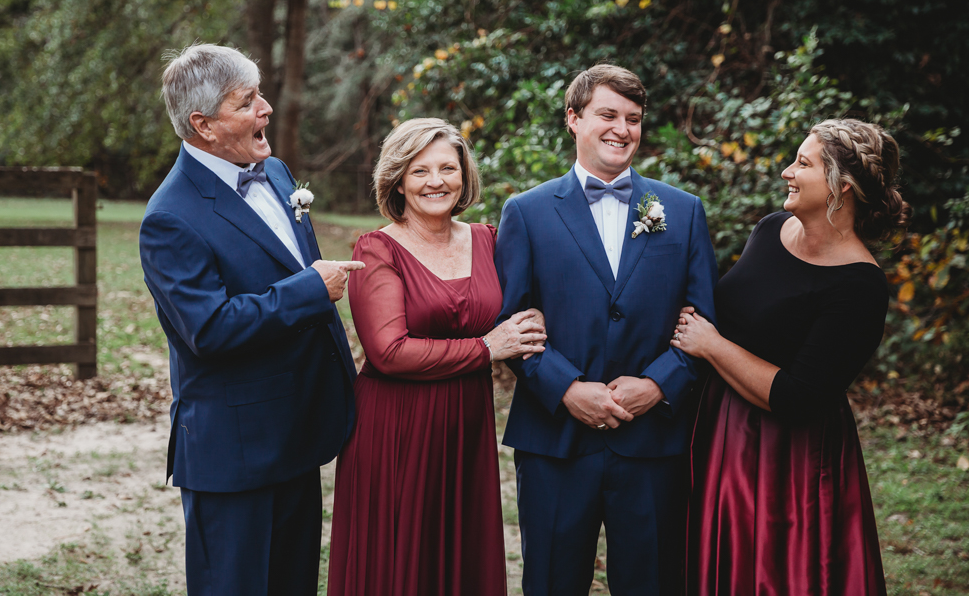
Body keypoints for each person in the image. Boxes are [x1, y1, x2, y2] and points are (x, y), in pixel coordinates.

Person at [139, 43, 364, 595]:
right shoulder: (169, 218)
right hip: (233, 452)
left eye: (260, 93)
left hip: (296, 434)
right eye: (248, 100)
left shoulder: (278, 174)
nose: (266, 108)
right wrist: (310, 290)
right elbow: (209, 329)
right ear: (204, 124)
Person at [494, 64, 719, 595]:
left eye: (634, 119)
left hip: (653, 441)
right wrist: (567, 389)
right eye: (608, 115)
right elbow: (509, 323)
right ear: (573, 119)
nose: (622, 129)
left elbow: (704, 319)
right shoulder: (525, 212)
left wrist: (659, 384)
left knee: (654, 582)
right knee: (551, 582)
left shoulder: (682, 213)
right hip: (555, 440)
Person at [673, 118, 910, 595]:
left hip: (790, 459)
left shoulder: (860, 286)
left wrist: (712, 345)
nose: (787, 171)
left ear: (840, 187)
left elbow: (799, 395)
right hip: (721, 429)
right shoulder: (771, 229)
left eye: (803, 163)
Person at [327, 118, 547, 596]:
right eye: (420, 170)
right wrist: (489, 347)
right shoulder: (377, 249)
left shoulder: (490, 239)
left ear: (465, 176)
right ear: (398, 180)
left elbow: (532, 307)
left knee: (458, 560)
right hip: (396, 428)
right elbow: (389, 352)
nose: (436, 182)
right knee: (398, 565)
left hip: (466, 424)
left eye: (449, 168)